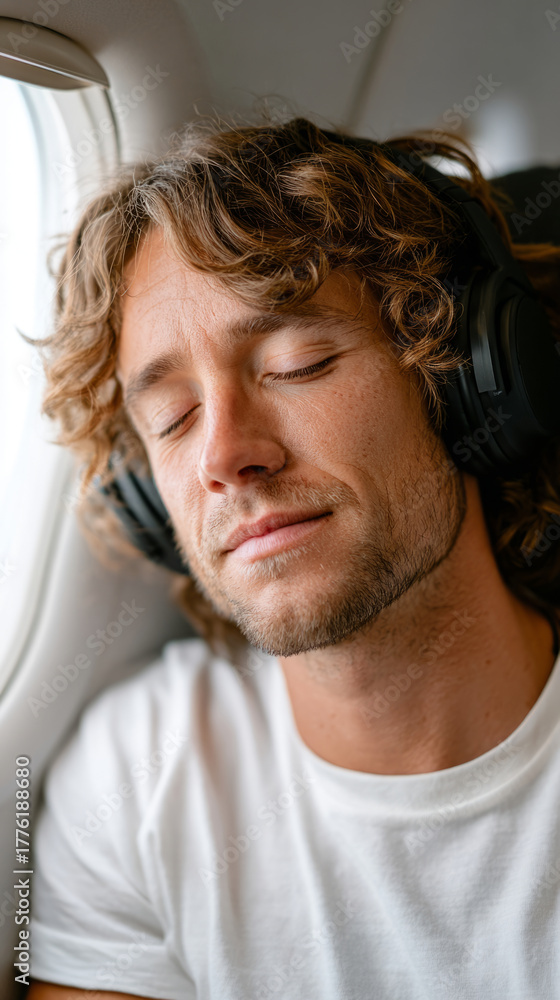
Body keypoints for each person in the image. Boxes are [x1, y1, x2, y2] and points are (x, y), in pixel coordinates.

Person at [26, 115, 560, 999]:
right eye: (172, 416)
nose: (224, 455)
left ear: (462, 378)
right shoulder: (134, 784)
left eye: (299, 362)